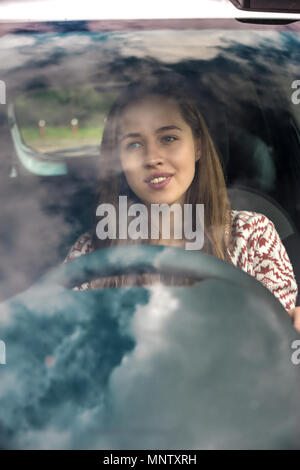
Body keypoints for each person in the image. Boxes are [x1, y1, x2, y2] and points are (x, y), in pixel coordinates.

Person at [65, 73, 300, 328]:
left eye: (168, 138)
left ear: (198, 145)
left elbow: (275, 348)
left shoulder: (254, 239)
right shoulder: (90, 253)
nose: (152, 158)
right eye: (134, 144)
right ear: (118, 160)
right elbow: (64, 345)